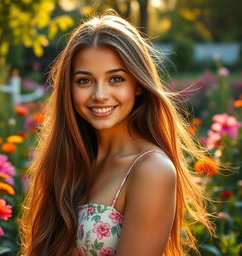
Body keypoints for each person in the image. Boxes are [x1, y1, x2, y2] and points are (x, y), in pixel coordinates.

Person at [18, 10, 216, 256]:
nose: (100, 94)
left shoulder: (151, 170)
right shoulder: (70, 159)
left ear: (138, 85)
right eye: (84, 81)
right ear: (68, 88)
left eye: (116, 79)